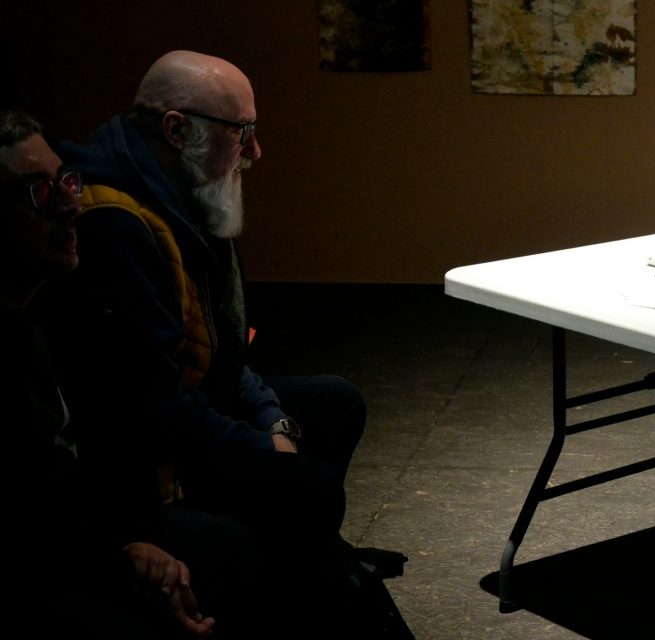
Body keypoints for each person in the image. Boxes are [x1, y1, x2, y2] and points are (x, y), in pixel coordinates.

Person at [40, 52, 411, 637]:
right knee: (306, 487)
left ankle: (311, 555)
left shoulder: (184, 194)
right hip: (157, 449)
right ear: (176, 130)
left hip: (195, 401)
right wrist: (260, 447)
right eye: (242, 132)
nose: (255, 151)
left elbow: (223, 349)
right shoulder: (118, 224)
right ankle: (309, 578)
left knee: (334, 402)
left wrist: (272, 422)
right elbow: (153, 403)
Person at [2, 109, 262, 638]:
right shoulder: (120, 232)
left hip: (100, 520)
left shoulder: (47, 308)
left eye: (66, 181)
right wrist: (125, 552)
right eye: (39, 191)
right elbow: (32, 515)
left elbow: (223, 353)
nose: (70, 203)